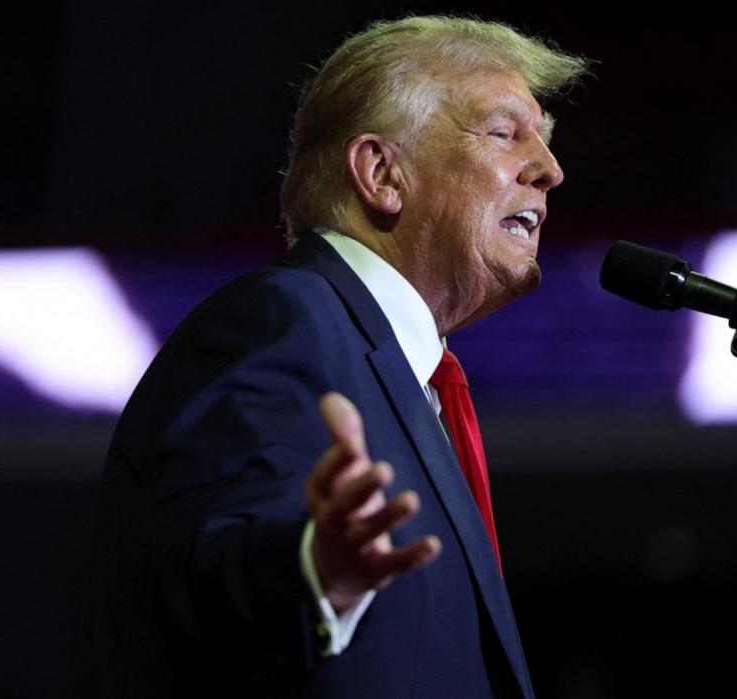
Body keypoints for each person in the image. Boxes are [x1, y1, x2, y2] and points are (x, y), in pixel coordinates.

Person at [74, 15, 586, 698]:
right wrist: (314, 569)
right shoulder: (284, 320)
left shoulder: (409, 378)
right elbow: (201, 570)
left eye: (544, 142)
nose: (549, 170)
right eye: (504, 133)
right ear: (381, 173)